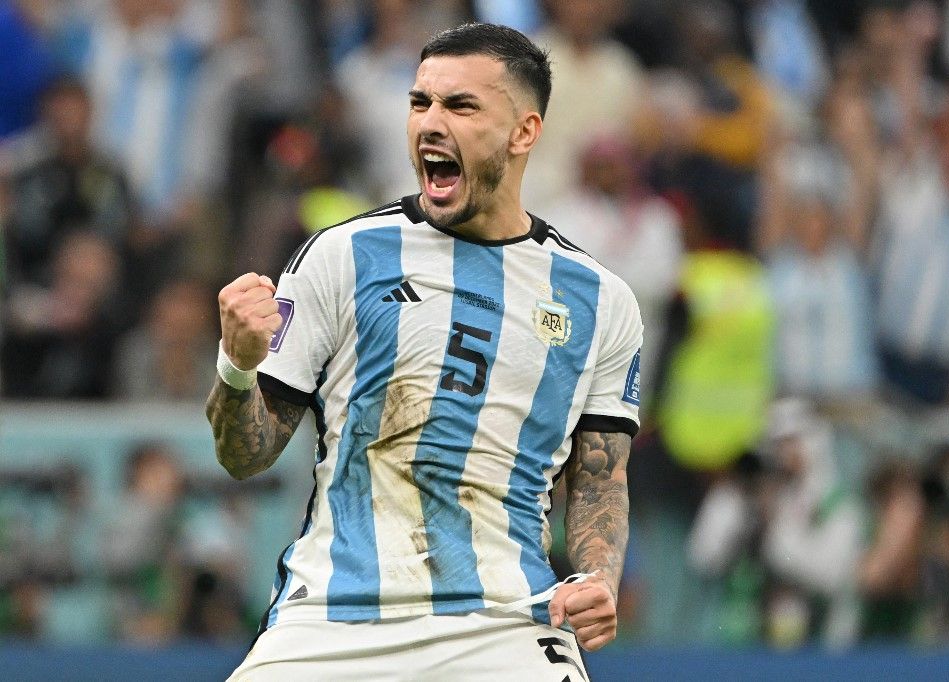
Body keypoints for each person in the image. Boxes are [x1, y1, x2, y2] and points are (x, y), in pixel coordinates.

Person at [206, 22, 642, 680]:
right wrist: (236, 367)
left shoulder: (598, 302)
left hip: (504, 622)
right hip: (333, 617)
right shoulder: (342, 257)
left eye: (461, 106)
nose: (430, 124)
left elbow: (600, 480)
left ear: (524, 132)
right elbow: (245, 455)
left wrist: (597, 578)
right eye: (420, 103)